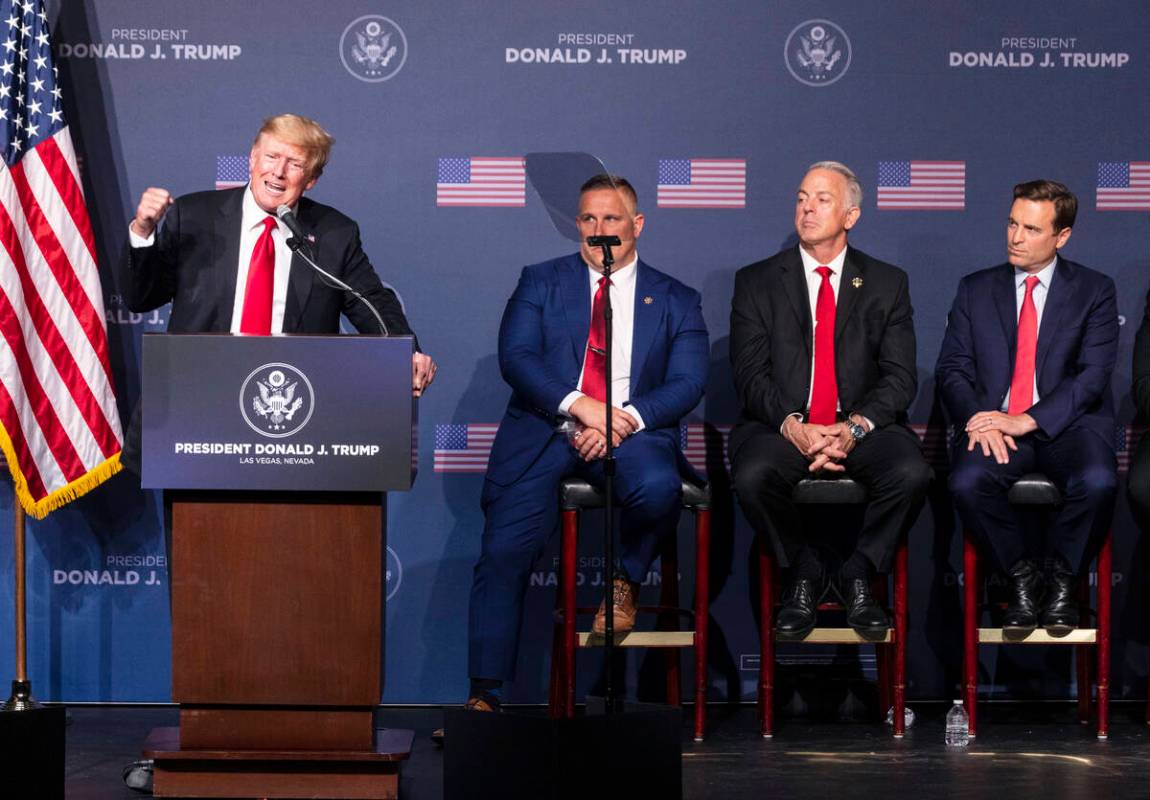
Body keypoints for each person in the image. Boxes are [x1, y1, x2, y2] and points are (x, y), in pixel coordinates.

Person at [462, 173, 708, 716]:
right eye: (590, 220)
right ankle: (486, 693)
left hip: (632, 434)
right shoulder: (540, 282)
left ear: (637, 225)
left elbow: (688, 383)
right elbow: (518, 359)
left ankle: (624, 579)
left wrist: (624, 420)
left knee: (659, 487)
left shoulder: (676, 298)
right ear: (577, 225)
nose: (601, 231)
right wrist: (581, 407)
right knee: (502, 553)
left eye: (613, 219)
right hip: (547, 431)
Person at [729, 161, 930, 639]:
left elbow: (900, 379)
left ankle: (859, 570)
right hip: (781, 425)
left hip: (859, 427)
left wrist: (854, 428)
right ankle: (803, 570)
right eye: (801, 197)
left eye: (822, 199)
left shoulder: (886, 282)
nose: (807, 208)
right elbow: (750, 374)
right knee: (753, 475)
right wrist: (794, 426)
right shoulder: (756, 281)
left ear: (851, 215)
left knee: (911, 473)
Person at [123, 112, 435, 394]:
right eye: (271, 157)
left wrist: (406, 355)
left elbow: (372, 302)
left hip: (287, 404)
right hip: (196, 392)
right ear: (252, 160)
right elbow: (142, 299)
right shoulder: (194, 216)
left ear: (311, 180)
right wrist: (142, 231)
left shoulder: (334, 233)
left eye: (295, 164)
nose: (279, 172)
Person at [936, 179, 1117, 635]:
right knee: (967, 481)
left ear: (1062, 236)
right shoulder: (976, 289)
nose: (1015, 237)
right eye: (1013, 223)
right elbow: (953, 368)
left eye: (1032, 229)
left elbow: (1091, 377)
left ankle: (1062, 579)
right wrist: (980, 420)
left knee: (1096, 481)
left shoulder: (1094, 290)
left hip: (1067, 426)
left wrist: (1029, 419)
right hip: (995, 425)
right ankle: (1019, 576)